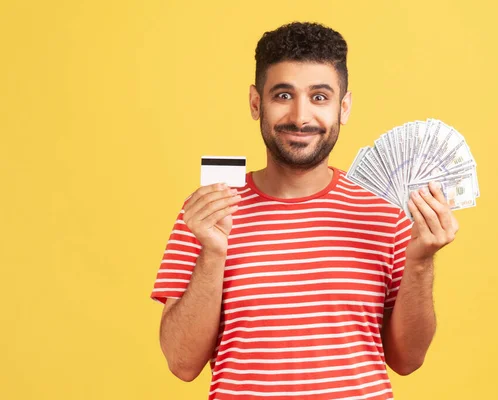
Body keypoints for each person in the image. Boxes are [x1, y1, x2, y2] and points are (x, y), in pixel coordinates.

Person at [150, 21, 459, 399]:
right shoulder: (206, 213)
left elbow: (407, 360)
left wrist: (422, 262)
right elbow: (182, 364)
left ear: (343, 108)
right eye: (282, 95)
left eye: (319, 97)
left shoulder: (385, 212)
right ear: (255, 103)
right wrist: (213, 253)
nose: (300, 117)